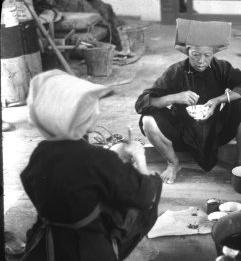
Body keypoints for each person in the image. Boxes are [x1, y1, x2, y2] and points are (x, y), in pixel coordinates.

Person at [21, 70, 162, 261]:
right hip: (89, 249)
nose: (97, 110)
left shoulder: (41, 152)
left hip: (49, 242)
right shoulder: (98, 159)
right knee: (154, 183)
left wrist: (111, 156)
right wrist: (139, 158)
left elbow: (73, 172)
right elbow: (145, 196)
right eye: (91, 106)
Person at [135, 19, 241, 184]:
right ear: (188, 52)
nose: (201, 61)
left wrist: (218, 100)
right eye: (195, 55)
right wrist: (174, 97)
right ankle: (173, 163)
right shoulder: (175, 71)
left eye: (207, 55)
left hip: (215, 129)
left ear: (213, 54)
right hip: (181, 130)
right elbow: (141, 103)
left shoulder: (221, 68)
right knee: (148, 119)